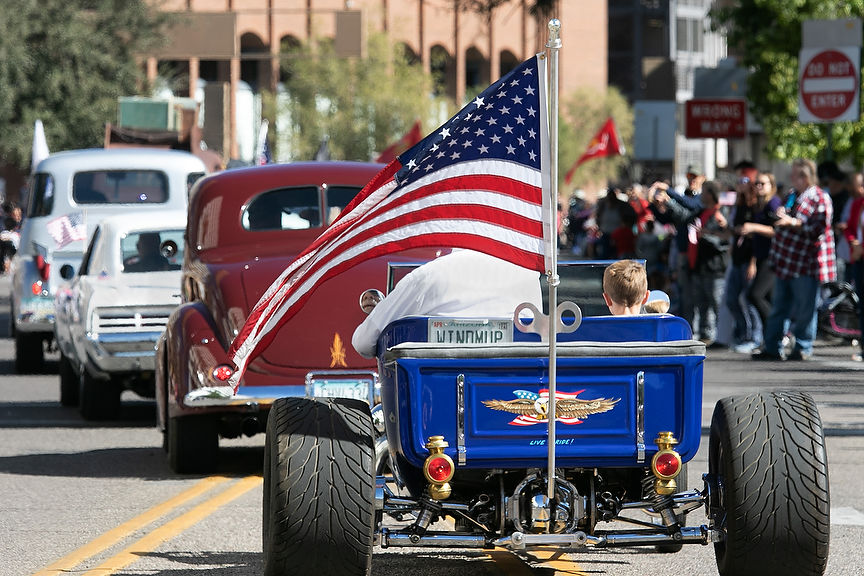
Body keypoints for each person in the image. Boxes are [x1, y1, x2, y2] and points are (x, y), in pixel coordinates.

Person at [351, 249, 543, 358]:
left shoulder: (429, 276)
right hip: (522, 411)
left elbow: (363, 342)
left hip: (435, 414)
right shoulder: (530, 276)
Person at [752, 158, 836, 361]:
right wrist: (782, 214)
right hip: (785, 260)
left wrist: (794, 222)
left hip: (806, 262)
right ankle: (772, 347)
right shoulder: (792, 194)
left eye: (796, 174)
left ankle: (802, 347)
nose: (791, 178)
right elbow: (786, 214)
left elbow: (819, 229)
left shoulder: (819, 197)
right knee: (779, 307)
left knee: (805, 308)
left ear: (806, 177)